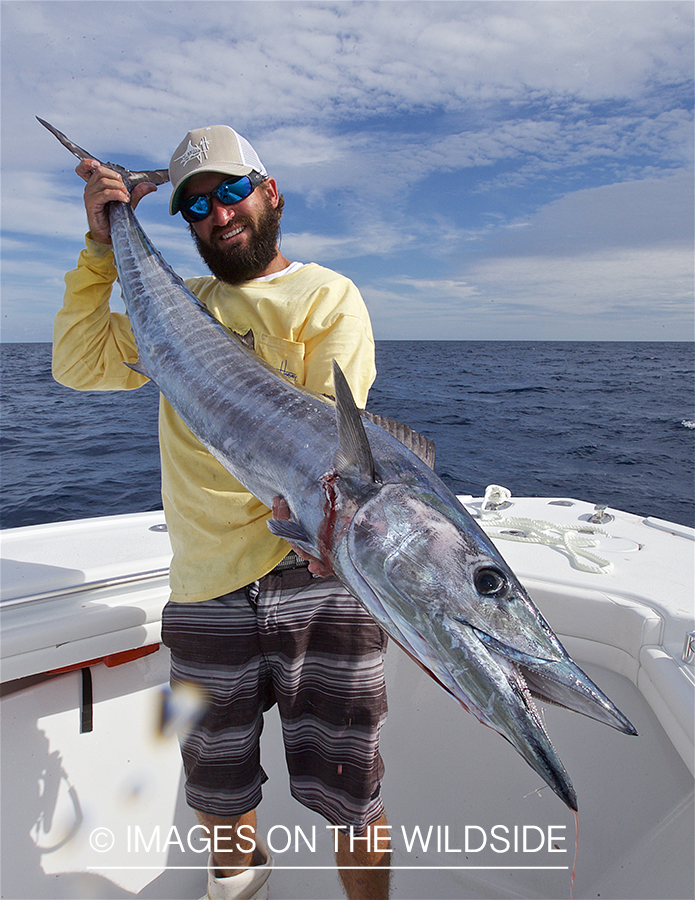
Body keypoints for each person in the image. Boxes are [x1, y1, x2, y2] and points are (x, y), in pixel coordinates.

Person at [52, 125, 391, 900]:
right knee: (220, 796)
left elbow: (323, 443)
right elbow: (74, 365)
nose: (218, 213)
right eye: (196, 206)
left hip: (317, 578)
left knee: (353, 797)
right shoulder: (175, 305)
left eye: (231, 190)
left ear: (270, 191)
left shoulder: (327, 296)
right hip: (205, 587)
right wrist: (103, 245)